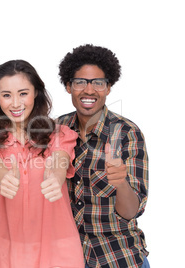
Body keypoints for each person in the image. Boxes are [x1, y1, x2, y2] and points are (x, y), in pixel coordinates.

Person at [0, 60, 84, 268]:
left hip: (59, 251)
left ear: (36, 92)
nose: (16, 103)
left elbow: (60, 159)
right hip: (8, 251)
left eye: (23, 93)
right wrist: (4, 177)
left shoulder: (60, 134)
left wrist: (55, 176)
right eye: (6, 95)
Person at [57, 44, 149, 268]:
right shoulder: (57, 129)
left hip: (117, 256)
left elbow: (131, 212)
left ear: (108, 88)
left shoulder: (127, 132)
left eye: (98, 82)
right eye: (80, 82)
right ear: (68, 86)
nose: (89, 90)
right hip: (67, 256)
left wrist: (121, 183)